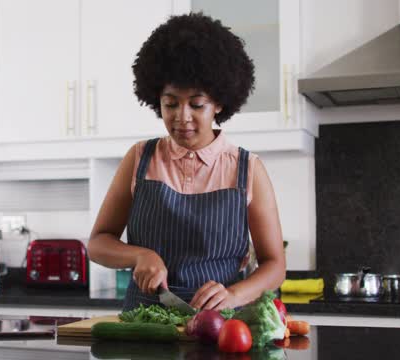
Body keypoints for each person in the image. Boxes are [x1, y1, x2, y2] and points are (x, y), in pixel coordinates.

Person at [88, 13, 285, 311]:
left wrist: (235, 295)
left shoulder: (247, 169)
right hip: (146, 327)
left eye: (196, 104)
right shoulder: (140, 158)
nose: (182, 117)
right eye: (170, 104)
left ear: (218, 102)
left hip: (219, 327)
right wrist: (139, 256)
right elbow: (98, 243)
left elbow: (274, 265)